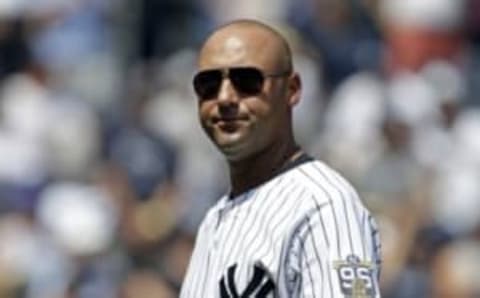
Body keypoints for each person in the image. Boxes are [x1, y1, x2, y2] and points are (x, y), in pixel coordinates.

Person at [180, 19, 381, 298]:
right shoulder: (214, 219)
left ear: (292, 90)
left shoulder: (324, 206)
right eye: (209, 84)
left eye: (246, 81)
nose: (225, 97)